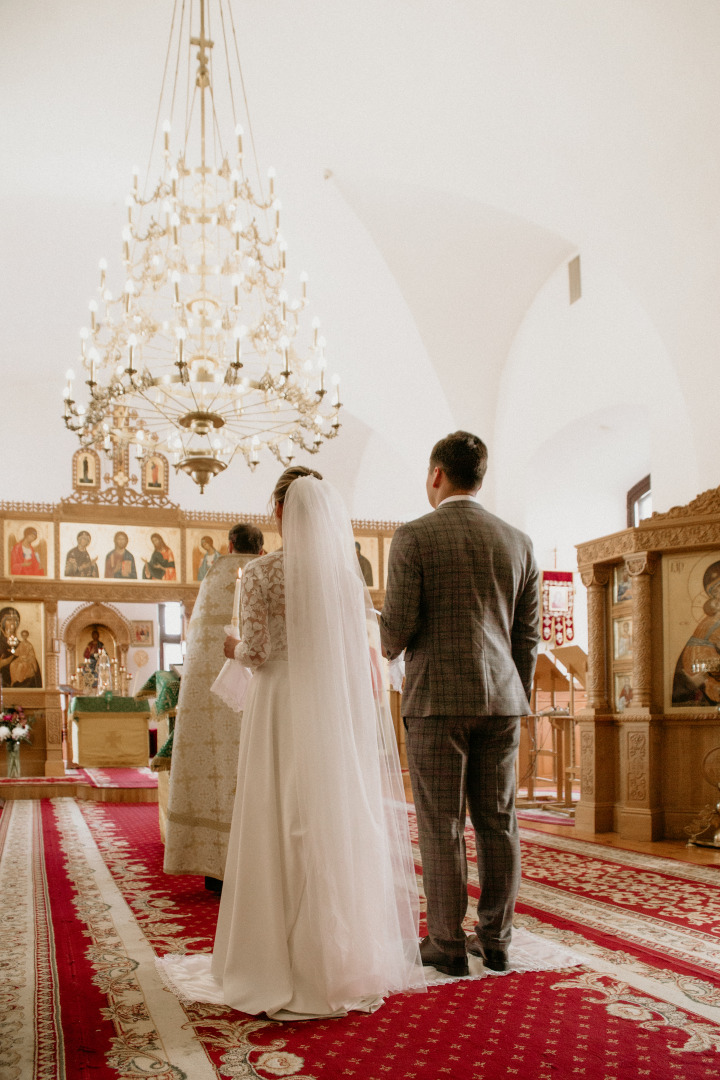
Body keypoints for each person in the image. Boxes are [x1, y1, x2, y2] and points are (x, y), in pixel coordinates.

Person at [158, 468, 424, 1020]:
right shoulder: (345, 579)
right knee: (326, 817)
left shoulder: (259, 573)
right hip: (329, 706)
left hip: (278, 704)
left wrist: (230, 644)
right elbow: (357, 656)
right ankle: (334, 959)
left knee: (276, 815)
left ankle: (270, 959)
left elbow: (254, 651)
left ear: (280, 511)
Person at [380, 431, 540, 976]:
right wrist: (512, 692)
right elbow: (527, 637)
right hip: (503, 699)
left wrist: (374, 628)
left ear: (435, 474)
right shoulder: (518, 542)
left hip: (436, 702)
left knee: (441, 821)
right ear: (481, 477)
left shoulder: (414, 537)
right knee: (499, 820)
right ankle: (496, 940)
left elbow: (395, 634)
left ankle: (447, 945)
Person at [164, 522, 265, 889]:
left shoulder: (211, 579)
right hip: (256, 695)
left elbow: (201, 647)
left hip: (211, 699)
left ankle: (214, 871)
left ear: (228, 544)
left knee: (216, 777)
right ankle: (256, 868)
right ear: (259, 549)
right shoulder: (262, 573)